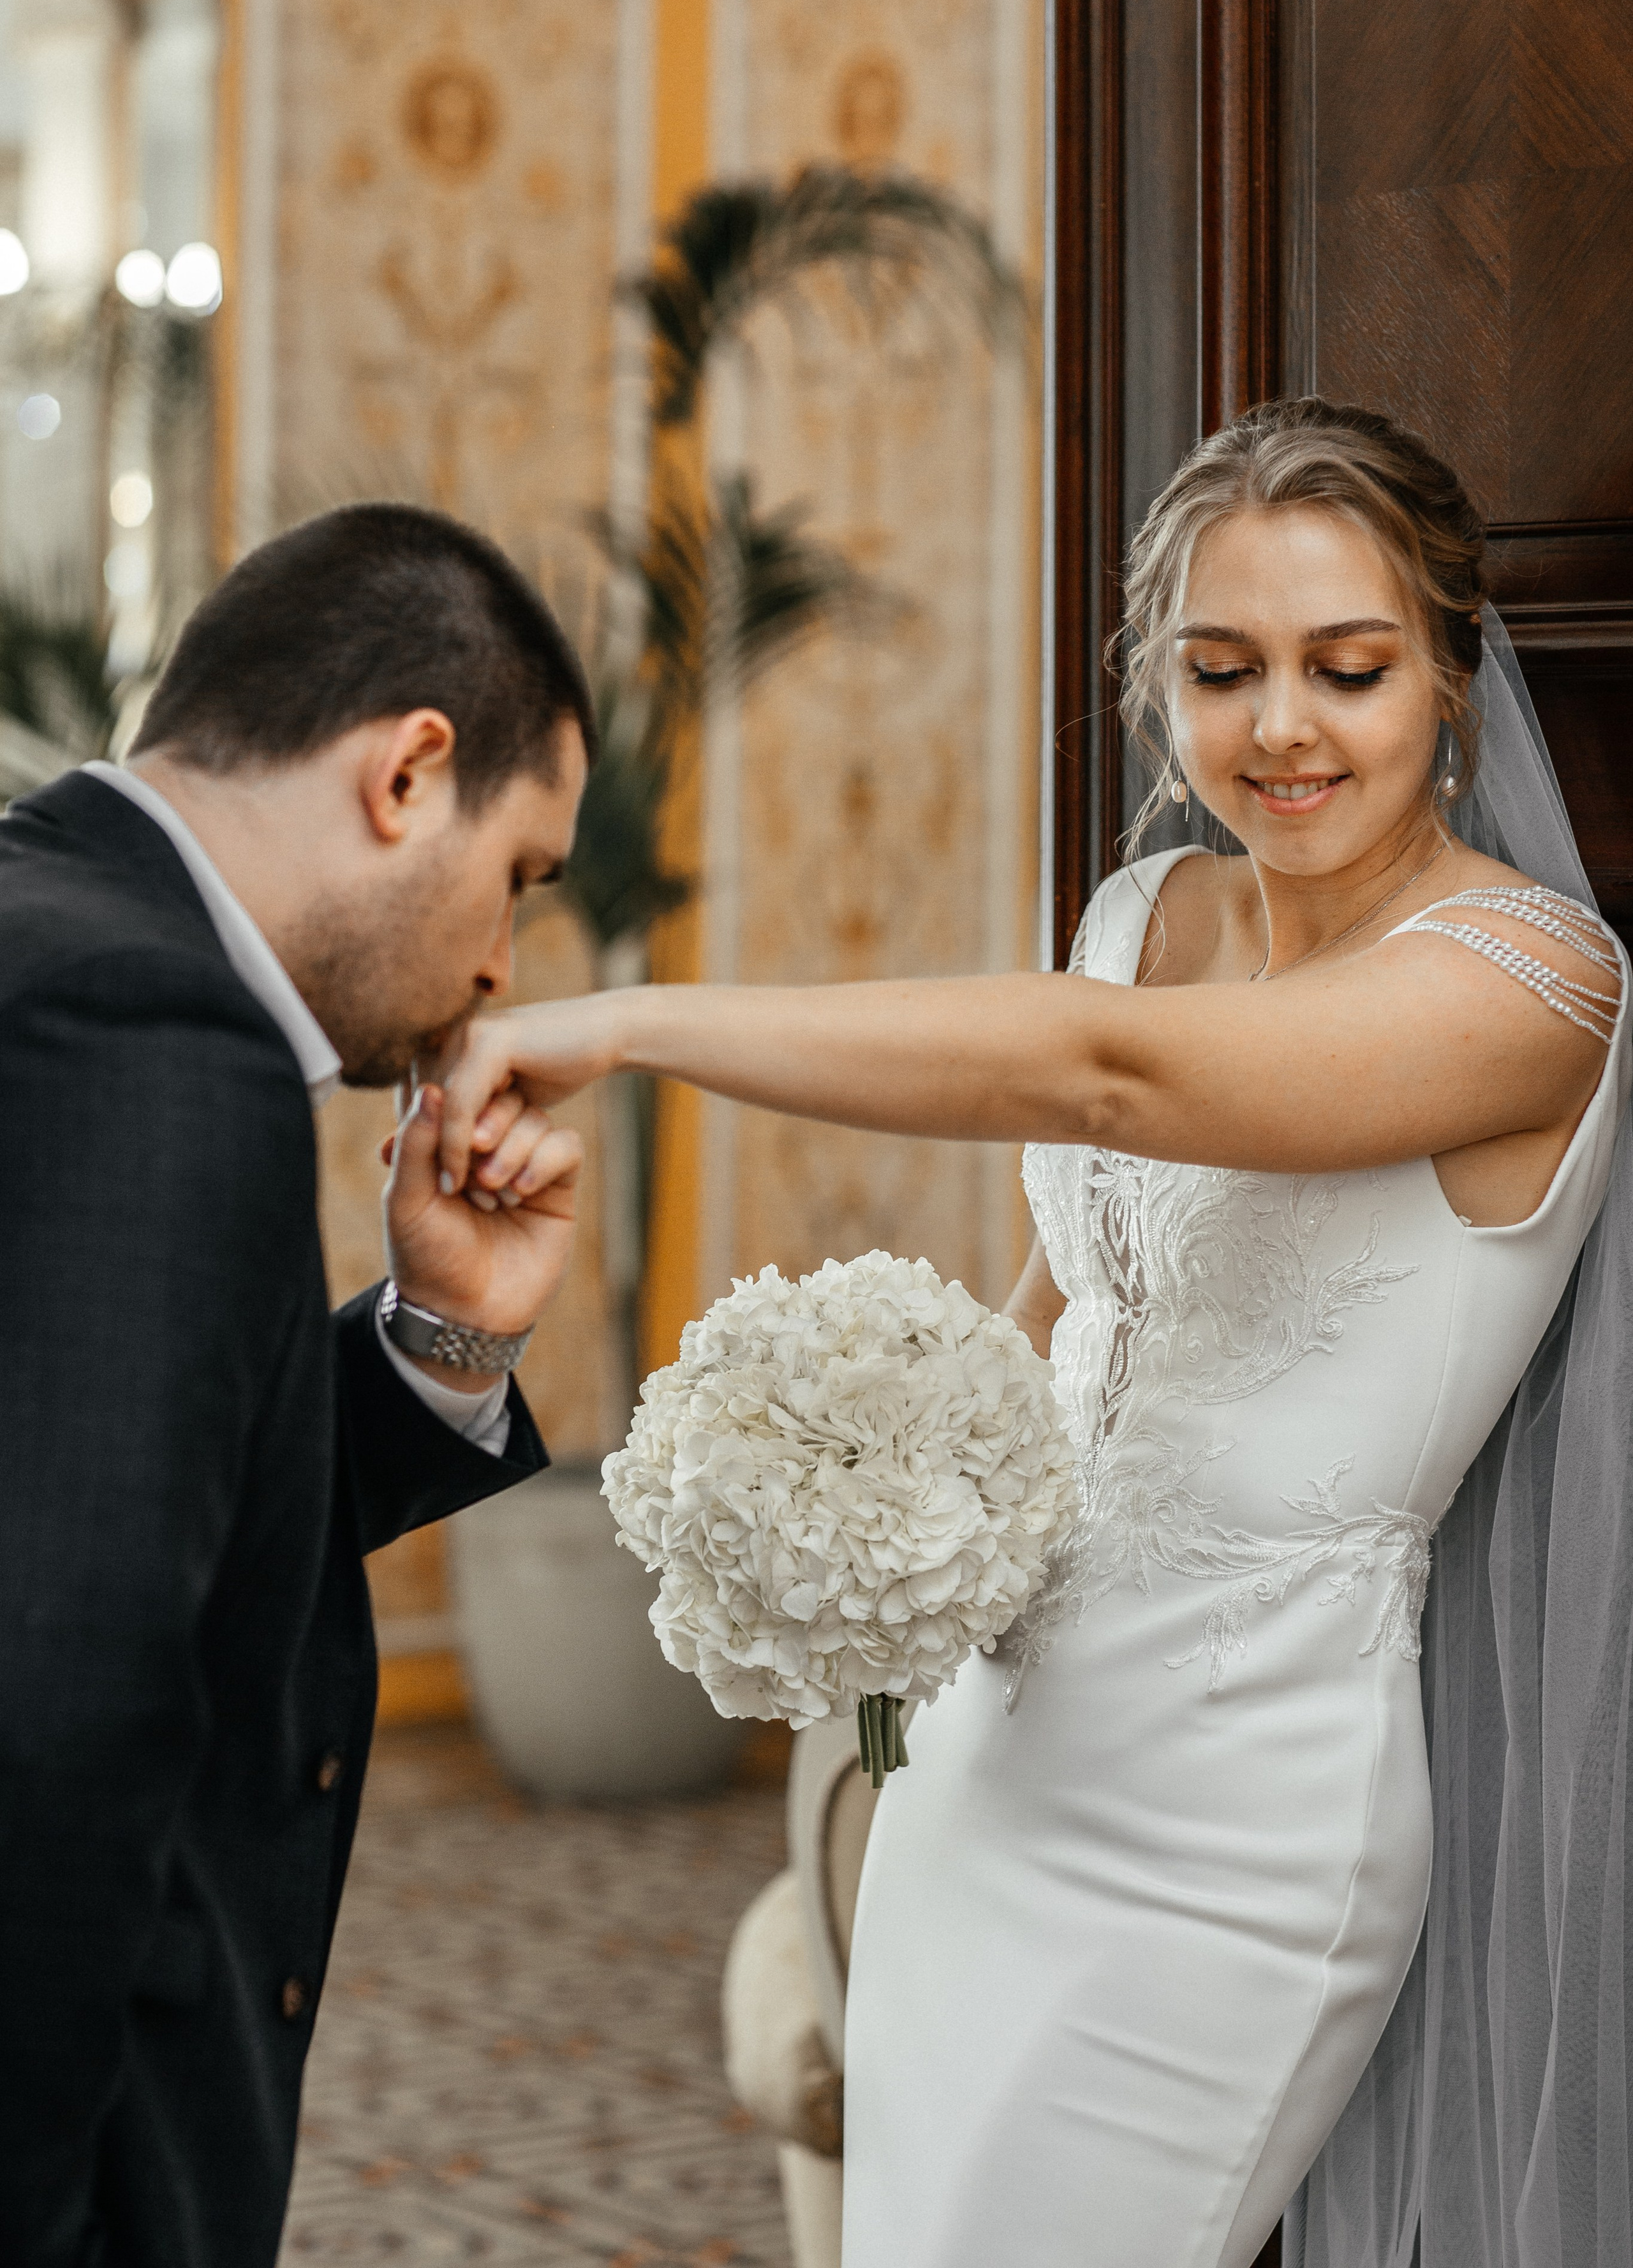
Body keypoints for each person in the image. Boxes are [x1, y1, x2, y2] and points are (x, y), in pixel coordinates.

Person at [429, 401, 1633, 2265]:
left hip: (1241, 1821)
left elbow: (1108, 1085)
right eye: (1222, 670)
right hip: (992, 1766)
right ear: (1161, 681)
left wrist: (629, 1022)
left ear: (1453, 675)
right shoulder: (1143, 912)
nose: (1282, 729)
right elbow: (1064, 1312)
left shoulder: (1537, 984)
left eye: (1349, 668)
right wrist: (882, 1523)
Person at [0, 503, 593, 2268]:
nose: (501, 966)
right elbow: (58, 1702)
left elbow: (122, 1497)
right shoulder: (152, 1032)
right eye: (523, 881)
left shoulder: (46, 927)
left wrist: (446, 1335)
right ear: (411, 774)